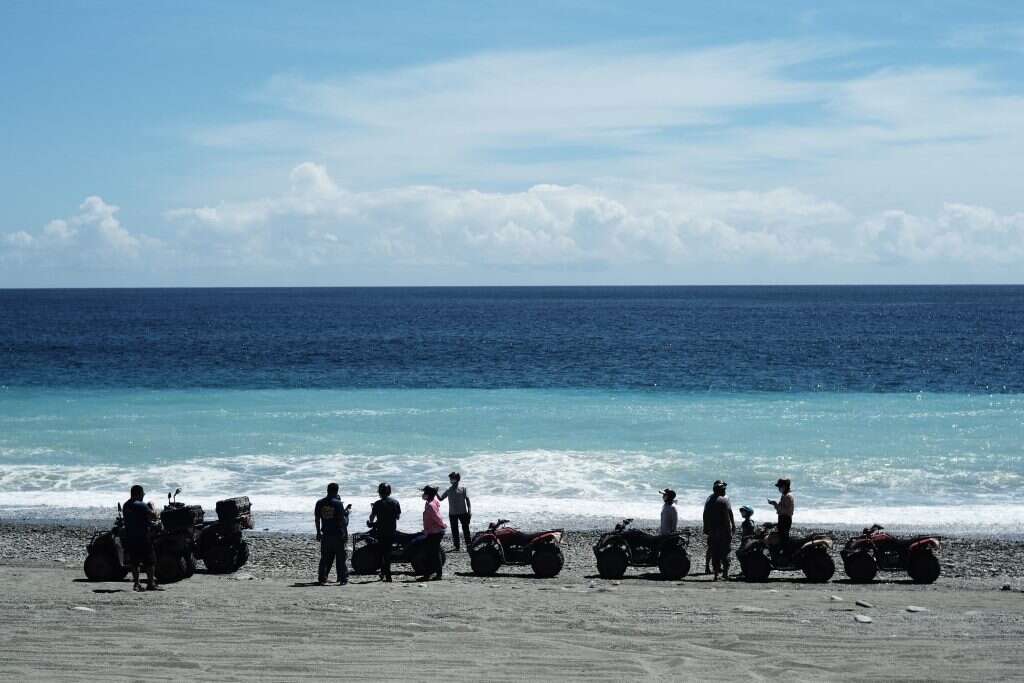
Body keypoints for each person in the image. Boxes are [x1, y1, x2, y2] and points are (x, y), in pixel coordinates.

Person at [122, 485, 158, 592]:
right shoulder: (141, 505)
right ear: (139, 493)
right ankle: (150, 583)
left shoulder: (126, 505)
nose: (143, 496)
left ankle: (136, 584)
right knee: (150, 561)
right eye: (143, 494)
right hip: (143, 537)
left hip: (131, 536)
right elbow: (153, 516)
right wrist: (153, 507)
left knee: (135, 562)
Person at [314, 482, 351, 585]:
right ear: (337, 491)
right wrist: (345, 533)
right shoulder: (338, 504)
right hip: (337, 534)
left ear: (327, 490)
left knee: (325, 557)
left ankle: (322, 578)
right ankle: (343, 579)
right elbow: (342, 521)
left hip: (325, 533)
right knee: (340, 557)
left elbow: (317, 519)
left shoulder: (320, 503)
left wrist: (318, 532)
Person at [368, 482, 401, 582]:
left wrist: (372, 521)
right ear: (389, 492)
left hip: (381, 532)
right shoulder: (395, 502)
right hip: (391, 531)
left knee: (382, 553)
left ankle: (387, 575)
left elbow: (371, 518)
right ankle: (385, 573)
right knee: (387, 553)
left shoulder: (377, 504)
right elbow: (398, 517)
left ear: (380, 493)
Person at [704, 480, 735, 581]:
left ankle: (716, 574)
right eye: (723, 489)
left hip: (713, 531)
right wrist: (732, 527)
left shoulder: (709, 500)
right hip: (723, 531)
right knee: (725, 552)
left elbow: (705, 515)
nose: (725, 491)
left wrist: (706, 528)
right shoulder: (724, 501)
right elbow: (728, 515)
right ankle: (725, 573)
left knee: (715, 552)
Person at [418, 486, 447, 582]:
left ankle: (432, 574)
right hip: (432, 531)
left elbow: (437, 517)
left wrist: (442, 525)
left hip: (435, 532)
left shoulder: (430, 505)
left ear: (428, 495)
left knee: (432, 553)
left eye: (425, 493)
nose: (423, 494)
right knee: (433, 553)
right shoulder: (432, 502)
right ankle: (433, 574)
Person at [438, 471, 472, 551]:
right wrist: (435, 492)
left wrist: (469, 511)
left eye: (451, 479)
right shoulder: (448, 490)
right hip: (452, 513)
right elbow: (440, 499)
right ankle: (457, 547)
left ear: (456, 479)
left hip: (463, 512)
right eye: (450, 479)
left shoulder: (463, 489)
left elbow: (468, 500)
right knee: (454, 530)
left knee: (466, 530)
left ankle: (469, 545)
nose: (450, 480)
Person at [768, 477, 794, 546]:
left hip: (786, 519)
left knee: (784, 537)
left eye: (780, 487)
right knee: (781, 535)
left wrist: (776, 504)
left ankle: (786, 552)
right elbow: (780, 509)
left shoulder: (788, 496)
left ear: (785, 487)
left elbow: (786, 510)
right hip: (782, 518)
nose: (779, 489)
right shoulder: (784, 495)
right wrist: (774, 504)